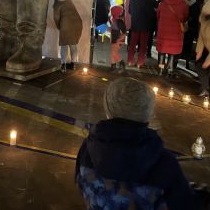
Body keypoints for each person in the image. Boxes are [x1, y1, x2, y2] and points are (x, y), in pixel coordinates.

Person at [75, 77, 197, 210]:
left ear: (108, 110)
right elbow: (184, 204)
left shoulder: (87, 149)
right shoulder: (164, 163)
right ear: (149, 114)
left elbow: (80, 184)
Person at [156, 0, 189, 76]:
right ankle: (170, 70)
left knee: (162, 51)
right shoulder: (183, 3)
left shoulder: (163, 2)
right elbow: (186, 16)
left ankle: (161, 70)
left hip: (163, 30)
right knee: (172, 52)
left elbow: (158, 15)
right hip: (176, 32)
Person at [128, 0, 156, 68]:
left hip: (135, 25)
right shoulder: (149, 0)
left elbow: (129, 11)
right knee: (143, 45)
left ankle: (130, 61)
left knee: (132, 44)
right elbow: (151, 14)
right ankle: (140, 62)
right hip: (145, 26)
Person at [53, 0, 82, 72]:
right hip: (77, 25)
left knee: (64, 45)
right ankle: (73, 64)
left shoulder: (57, 4)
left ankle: (63, 65)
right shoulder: (70, 2)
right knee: (73, 45)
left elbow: (56, 18)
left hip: (65, 25)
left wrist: (59, 26)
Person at [181, 0, 201, 70]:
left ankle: (187, 61)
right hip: (182, 26)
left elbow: (198, 16)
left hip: (192, 27)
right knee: (181, 44)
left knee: (188, 45)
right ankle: (177, 60)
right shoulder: (182, 2)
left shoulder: (197, 3)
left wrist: (190, 19)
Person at [109, 5, 126, 72]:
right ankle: (113, 65)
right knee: (113, 52)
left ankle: (121, 62)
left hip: (118, 40)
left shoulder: (118, 21)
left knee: (114, 52)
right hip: (115, 39)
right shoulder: (114, 20)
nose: (122, 12)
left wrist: (119, 39)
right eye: (120, 11)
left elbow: (124, 32)